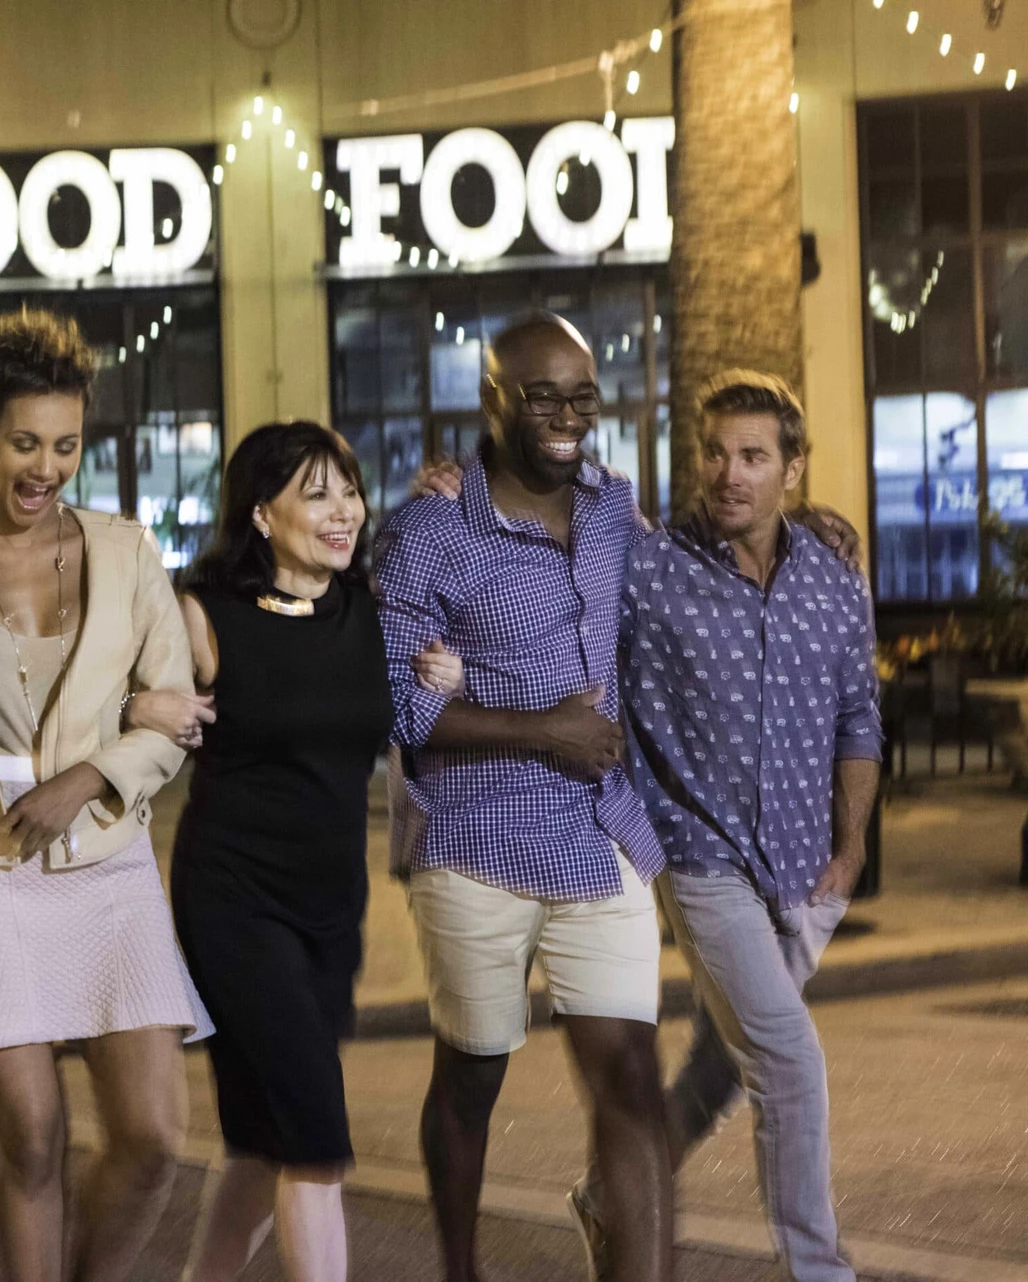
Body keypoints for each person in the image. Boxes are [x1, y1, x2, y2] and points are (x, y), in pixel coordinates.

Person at [0, 310, 211, 1282]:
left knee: (154, 1137)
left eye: (66, 444)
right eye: (25, 441)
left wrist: (90, 777)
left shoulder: (126, 553)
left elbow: (174, 718)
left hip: (109, 861)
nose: (46, 466)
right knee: (32, 1138)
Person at [373, 313, 674, 1282]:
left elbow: (680, 586)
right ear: (493, 398)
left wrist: (813, 537)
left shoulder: (613, 510)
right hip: (475, 843)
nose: (567, 416)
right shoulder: (428, 531)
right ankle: (461, 1270)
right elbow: (404, 704)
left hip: (599, 833)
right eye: (542, 395)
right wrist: (548, 726)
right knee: (472, 1073)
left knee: (631, 1075)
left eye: (582, 396)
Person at [126, 422, 452, 1281]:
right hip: (235, 903)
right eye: (317, 494)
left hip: (329, 908)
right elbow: (100, 691)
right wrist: (138, 705)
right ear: (262, 514)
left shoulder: (369, 610)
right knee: (316, 1142)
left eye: (348, 489)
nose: (343, 510)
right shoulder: (204, 617)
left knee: (262, 1142)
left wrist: (432, 679)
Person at [609, 371, 879, 1282]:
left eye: (754, 457)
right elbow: (545, 541)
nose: (730, 473)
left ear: (793, 470)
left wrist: (850, 854)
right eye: (716, 453)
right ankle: (821, 1271)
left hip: (803, 871)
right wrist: (457, 488)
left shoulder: (836, 584)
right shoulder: (647, 570)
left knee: (717, 1071)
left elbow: (858, 720)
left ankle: (611, 1198)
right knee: (789, 1062)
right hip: (697, 858)